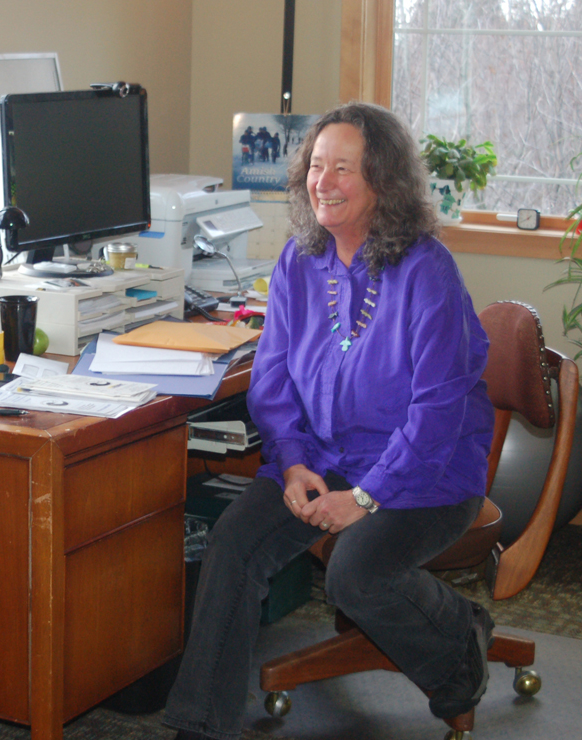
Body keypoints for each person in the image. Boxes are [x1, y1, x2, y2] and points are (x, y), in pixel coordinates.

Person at [163, 101, 495, 740]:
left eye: (344, 168)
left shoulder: (427, 270)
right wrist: (290, 460)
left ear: (383, 183)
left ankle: (459, 645)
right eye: (317, 166)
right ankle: (201, 727)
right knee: (233, 544)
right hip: (319, 459)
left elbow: (436, 411)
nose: (324, 181)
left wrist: (366, 498)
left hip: (425, 473)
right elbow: (273, 376)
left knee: (356, 577)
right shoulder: (298, 260)